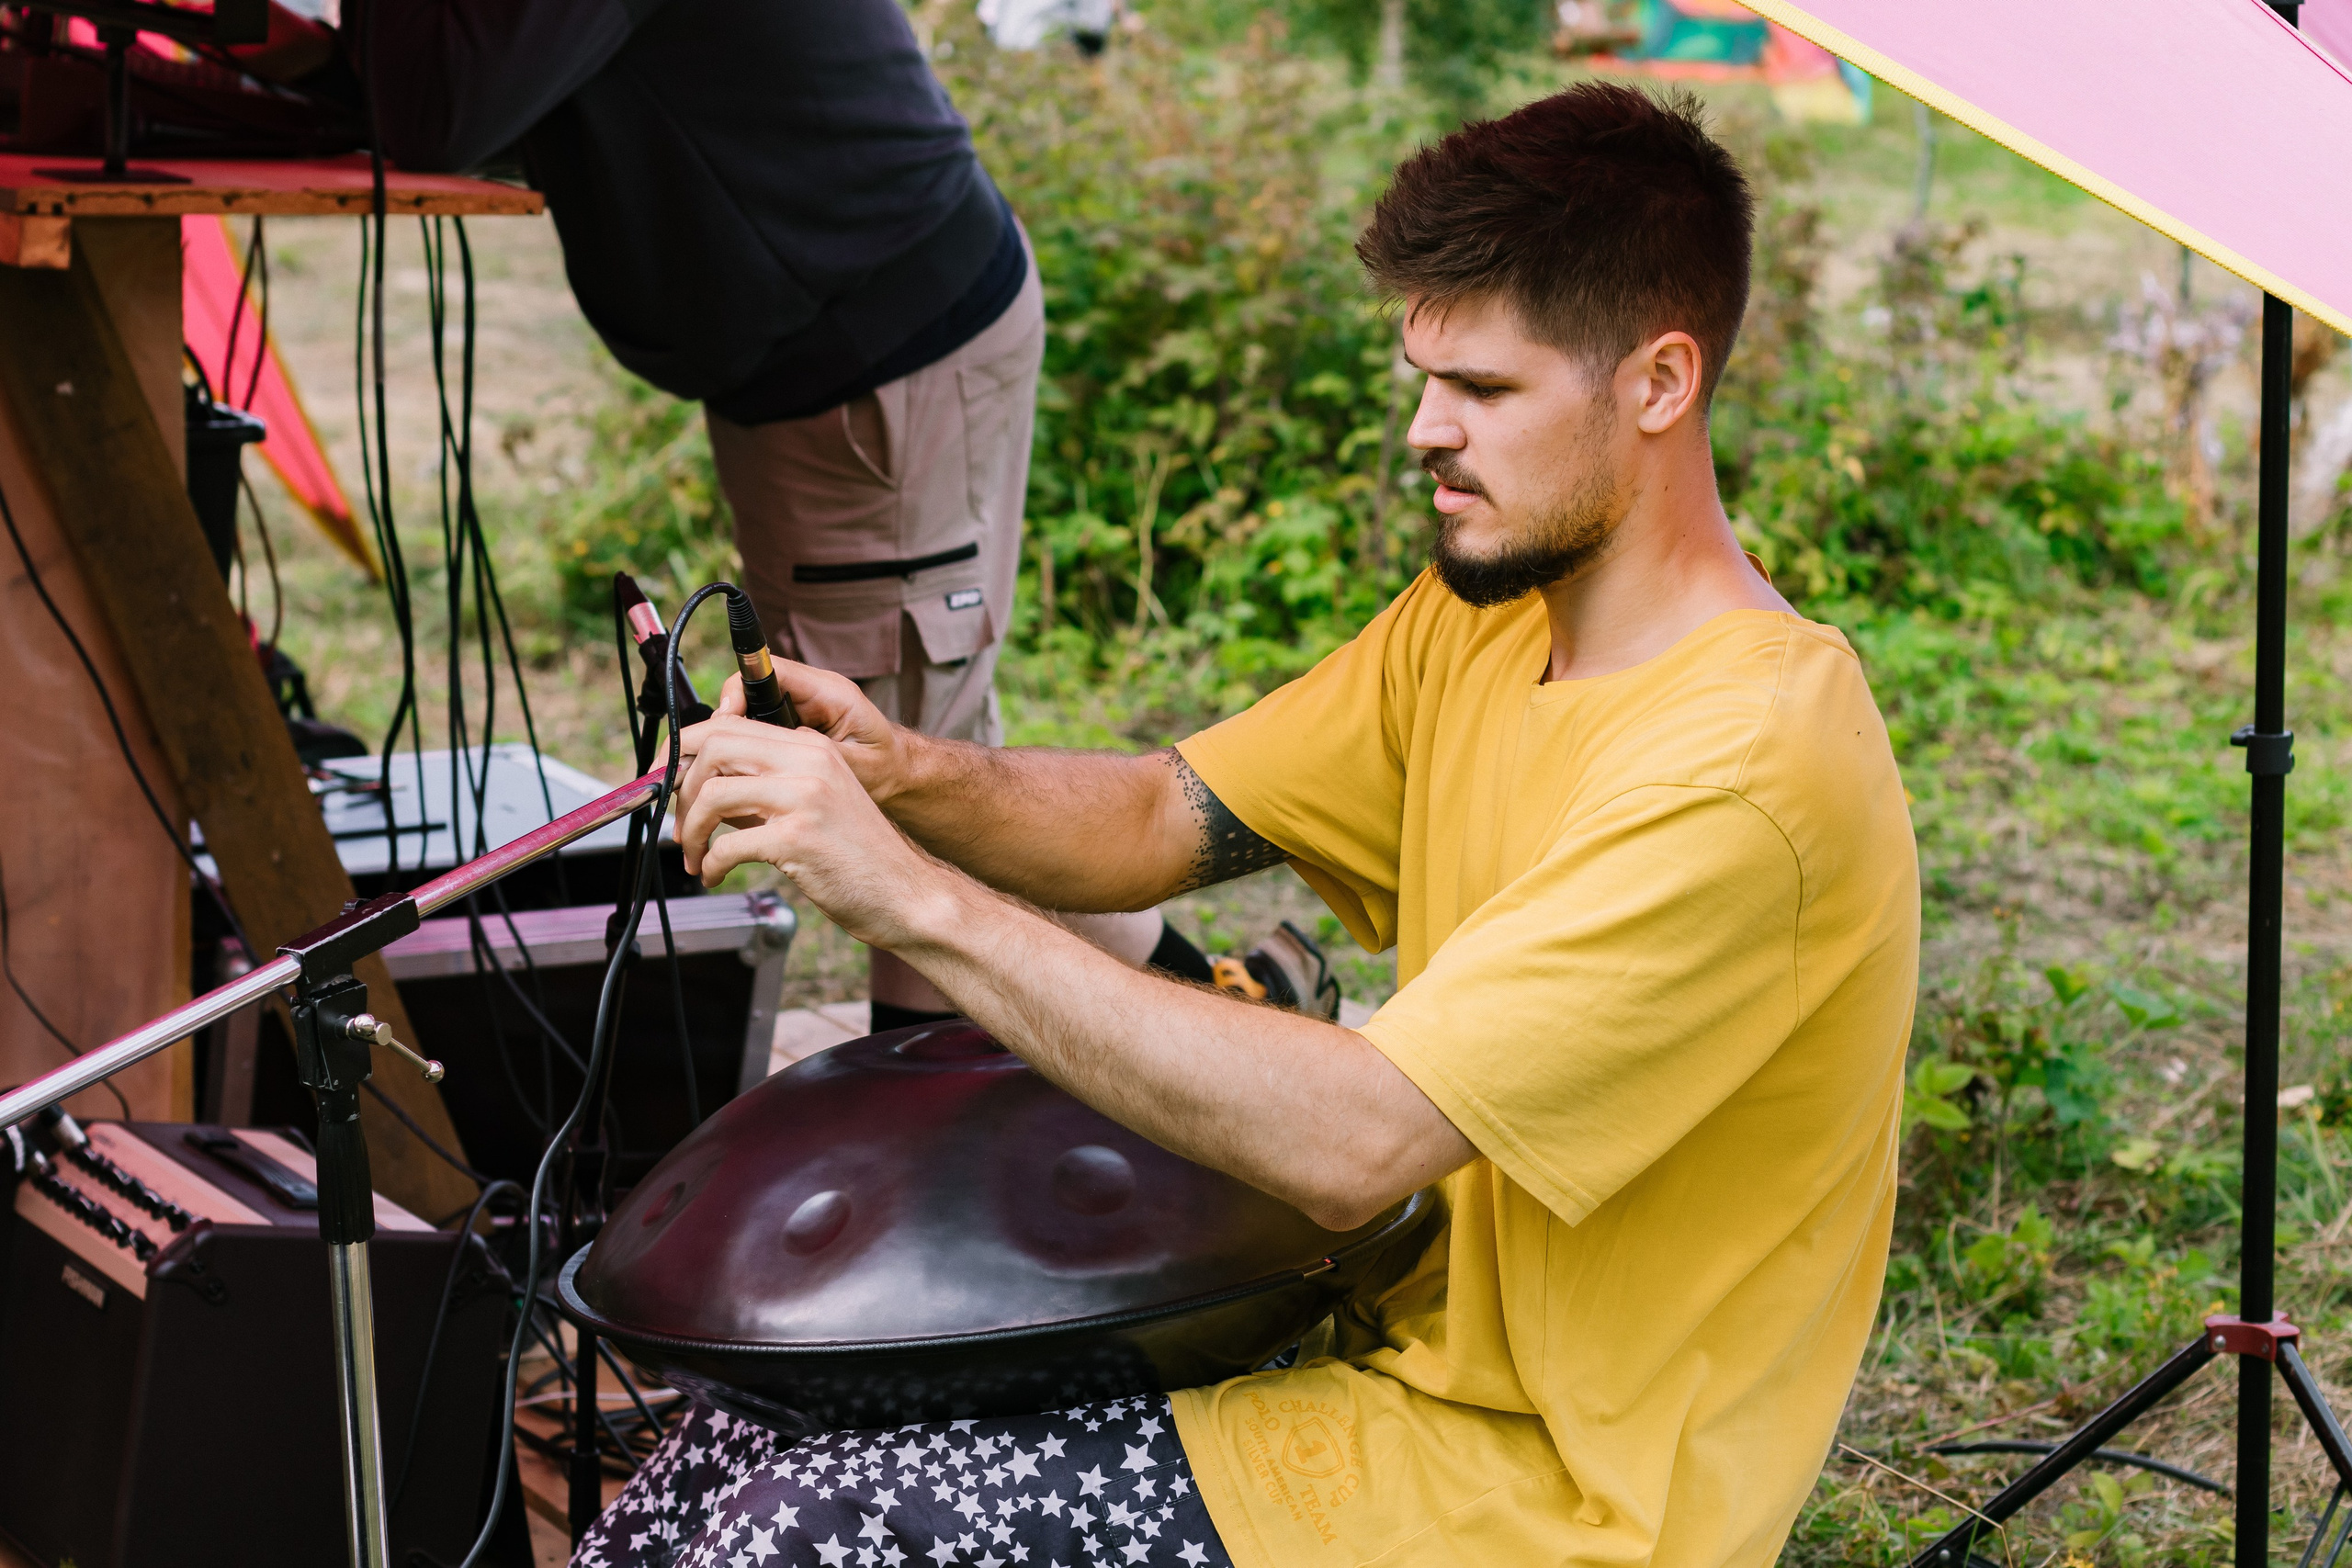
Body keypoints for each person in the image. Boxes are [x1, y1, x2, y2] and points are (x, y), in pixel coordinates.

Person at [577, 83, 1919, 1568]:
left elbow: (1360, 1136)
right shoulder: (1488, 621)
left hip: (1546, 1502)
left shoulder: (1743, 771)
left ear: (1659, 383)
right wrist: (909, 772)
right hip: (1370, 1363)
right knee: (730, 1442)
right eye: (1422, 376)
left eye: (1481, 387)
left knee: (812, 1526)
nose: (1426, 430)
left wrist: (909, 895)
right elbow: (1169, 813)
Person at [350, 0, 1254, 1028]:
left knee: (897, 801)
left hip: (877, 350)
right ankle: (1226, 998)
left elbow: (437, 111)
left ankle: (951, 1155)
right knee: (915, 770)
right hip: (830, 354)